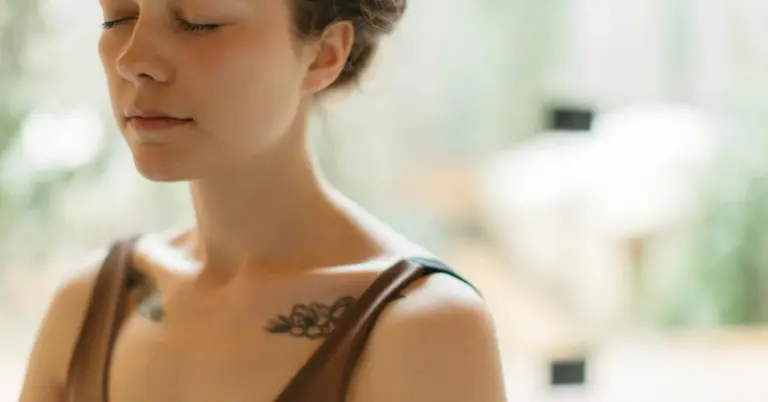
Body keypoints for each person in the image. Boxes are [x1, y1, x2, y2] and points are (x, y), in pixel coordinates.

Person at [20, 0, 507, 400]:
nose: (133, 58)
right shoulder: (88, 305)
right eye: (119, 17)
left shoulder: (422, 330)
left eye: (199, 22)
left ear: (323, 56)